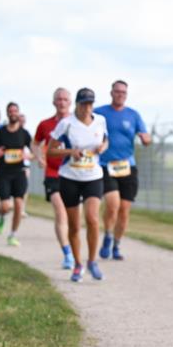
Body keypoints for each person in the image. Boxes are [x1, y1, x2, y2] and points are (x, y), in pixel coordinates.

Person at [47, 88, 108, 282]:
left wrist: (102, 148)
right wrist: (70, 152)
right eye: (83, 104)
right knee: (74, 226)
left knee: (92, 219)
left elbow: (106, 140)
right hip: (70, 177)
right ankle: (77, 264)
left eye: (90, 104)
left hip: (93, 176)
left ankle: (92, 261)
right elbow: (51, 151)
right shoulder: (66, 124)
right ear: (77, 104)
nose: (86, 108)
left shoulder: (100, 120)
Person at [95, 80, 151, 261]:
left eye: (123, 92)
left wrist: (145, 138)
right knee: (112, 205)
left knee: (124, 210)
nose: (120, 94)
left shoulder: (133, 115)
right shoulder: (100, 113)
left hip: (127, 166)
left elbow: (145, 136)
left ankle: (116, 245)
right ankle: (108, 235)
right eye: (117, 91)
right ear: (111, 93)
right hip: (105, 165)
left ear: (126, 95)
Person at [34, 87, 75, 269]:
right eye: (58, 99)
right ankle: (67, 253)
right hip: (53, 174)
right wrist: (39, 157)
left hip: (75, 174)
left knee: (74, 217)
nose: (62, 102)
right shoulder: (45, 125)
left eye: (65, 99)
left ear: (70, 102)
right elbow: (35, 143)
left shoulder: (78, 123)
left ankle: (74, 248)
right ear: (53, 102)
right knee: (60, 212)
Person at [0, 102, 32, 246]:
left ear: (18, 113)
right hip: (4, 173)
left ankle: (12, 235)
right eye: (10, 111)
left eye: (15, 111)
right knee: (6, 206)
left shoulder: (24, 133)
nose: (13, 113)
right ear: (7, 114)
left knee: (19, 204)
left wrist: (28, 157)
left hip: (19, 172)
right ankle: (1, 214)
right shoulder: (1, 132)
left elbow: (34, 149)